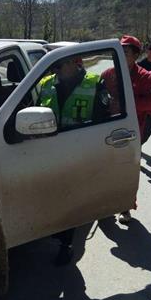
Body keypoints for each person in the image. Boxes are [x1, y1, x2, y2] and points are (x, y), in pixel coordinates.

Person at [37, 56, 111, 264]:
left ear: (73, 63)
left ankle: (65, 245)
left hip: (78, 154)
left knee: (69, 199)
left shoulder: (94, 83)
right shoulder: (45, 83)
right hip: (46, 152)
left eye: (60, 64)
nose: (56, 69)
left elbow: (102, 121)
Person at [101, 35, 151, 224]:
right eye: (120, 51)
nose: (122, 54)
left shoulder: (145, 77)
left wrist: (128, 105)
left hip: (131, 133)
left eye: (126, 52)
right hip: (107, 132)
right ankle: (104, 206)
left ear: (136, 55)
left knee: (127, 172)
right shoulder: (108, 74)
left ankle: (125, 207)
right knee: (106, 169)